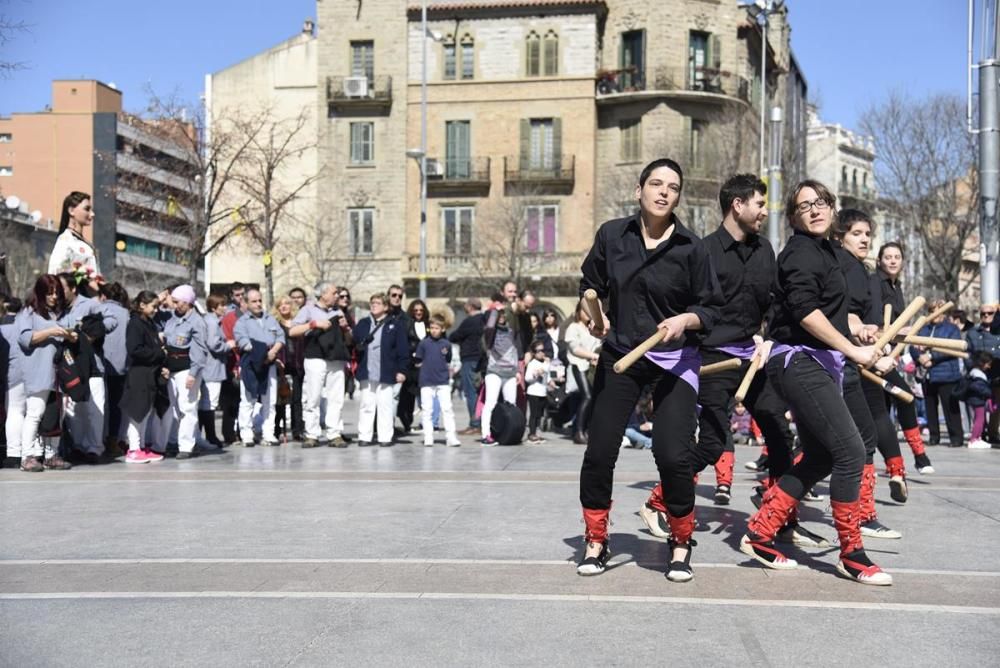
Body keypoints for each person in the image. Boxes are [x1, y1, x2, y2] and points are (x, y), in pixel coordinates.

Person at [739, 179, 892, 586]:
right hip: (799, 361)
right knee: (850, 450)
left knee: (823, 456)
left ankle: (760, 532)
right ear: (793, 216)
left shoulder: (827, 251)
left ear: (832, 208)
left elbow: (835, 313)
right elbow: (806, 313)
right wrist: (854, 351)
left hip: (820, 361)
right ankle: (852, 553)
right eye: (804, 205)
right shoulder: (798, 253)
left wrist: (861, 334)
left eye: (821, 202)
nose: (815, 209)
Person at [578, 158, 722, 582]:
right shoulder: (612, 235)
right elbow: (590, 287)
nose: (663, 192)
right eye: (655, 184)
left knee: (673, 455)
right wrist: (591, 314)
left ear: (679, 197)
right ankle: (596, 539)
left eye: (672, 187)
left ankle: (680, 541)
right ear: (639, 191)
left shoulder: (692, 248)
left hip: (674, 360)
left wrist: (685, 320)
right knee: (600, 451)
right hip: (622, 353)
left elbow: (710, 309)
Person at [642, 175, 804, 532]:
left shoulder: (765, 251)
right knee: (713, 444)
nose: (764, 212)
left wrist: (768, 337)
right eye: (759, 204)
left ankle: (778, 515)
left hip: (752, 357)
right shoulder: (703, 251)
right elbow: (688, 307)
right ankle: (658, 500)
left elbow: (775, 303)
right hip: (712, 359)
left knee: (778, 429)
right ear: (738, 205)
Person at [832, 210, 907, 539]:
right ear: (840, 236)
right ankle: (861, 515)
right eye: (857, 233)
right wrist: (860, 332)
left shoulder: (864, 274)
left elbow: (867, 322)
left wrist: (881, 347)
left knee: (859, 436)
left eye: (867, 234)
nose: (864, 239)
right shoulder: (842, 268)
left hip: (858, 360)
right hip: (835, 362)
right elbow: (838, 314)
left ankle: (864, 512)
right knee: (859, 438)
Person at [872, 242, 934, 474]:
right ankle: (918, 455)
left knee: (882, 411)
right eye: (887, 257)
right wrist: (902, 332)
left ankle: (895, 466)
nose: (892, 260)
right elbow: (875, 322)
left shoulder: (896, 286)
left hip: (890, 354)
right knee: (905, 397)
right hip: (874, 353)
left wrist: (906, 335)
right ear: (879, 260)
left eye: (897, 256)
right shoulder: (875, 282)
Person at [15, 275, 76, 472]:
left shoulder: (58, 313)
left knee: (56, 415)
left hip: (59, 372)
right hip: (38, 371)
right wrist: (52, 332)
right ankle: (27, 456)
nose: (54, 297)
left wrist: (69, 335)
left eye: (57, 293)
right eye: (49, 293)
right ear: (40, 293)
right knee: (35, 413)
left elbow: (72, 335)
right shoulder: (28, 313)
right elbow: (26, 338)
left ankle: (52, 455)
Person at [57, 272, 118, 463]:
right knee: (74, 412)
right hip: (69, 368)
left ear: (73, 288)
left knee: (94, 410)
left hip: (92, 366)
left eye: (62, 289)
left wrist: (91, 333)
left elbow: (111, 320)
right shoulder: (57, 309)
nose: (58, 293)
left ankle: (94, 448)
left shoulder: (90, 304)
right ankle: (78, 446)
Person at [288, 282, 352, 448]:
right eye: (334, 292)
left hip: (336, 358)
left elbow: (350, 339)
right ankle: (312, 434)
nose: (337, 295)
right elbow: (292, 331)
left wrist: (346, 329)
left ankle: (334, 433)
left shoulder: (339, 312)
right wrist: (313, 324)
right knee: (313, 397)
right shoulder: (308, 310)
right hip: (315, 357)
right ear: (323, 294)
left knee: (336, 398)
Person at [161, 284, 212, 459]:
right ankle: (173, 441)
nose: (174, 305)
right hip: (171, 368)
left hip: (186, 368)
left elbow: (199, 349)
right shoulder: (172, 318)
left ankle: (186, 445)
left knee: (187, 407)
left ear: (186, 302)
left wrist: (193, 373)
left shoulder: (197, 322)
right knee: (174, 408)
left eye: (177, 302)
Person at [353, 293, 409, 446]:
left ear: (385, 307)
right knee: (366, 405)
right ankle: (364, 436)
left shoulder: (395, 325)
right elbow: (355, 344)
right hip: (367, 371)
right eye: (372, 302)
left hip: (387, 371)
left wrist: (402, 370)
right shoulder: (363, 324)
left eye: (377, 303)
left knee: (385, 406)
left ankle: (385, 437)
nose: (373, 305)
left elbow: (402, 350)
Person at [233, 289, 286, 447]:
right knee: (248, 400)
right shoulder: (242, 322)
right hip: (251, 363)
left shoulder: (270, 319)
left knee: (269, 400)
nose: (257, 304)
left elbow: (280, 337)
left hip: (269, 362)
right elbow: (243, 342)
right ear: (246, 303)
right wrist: (261, 352)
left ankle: (268, 433)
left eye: (259, 301)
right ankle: (246, 434)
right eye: (254, 301)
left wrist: (273, 352)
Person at [910, 300, 965, 447]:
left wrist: (931, 357)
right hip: (927, 375)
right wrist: (919, 357)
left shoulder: (951, 329)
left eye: (937, 310)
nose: (933, 314)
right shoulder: (924, 328)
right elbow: (912, 345)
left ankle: (956, 437)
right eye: (931, 310)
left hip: (946, 374)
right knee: (930, 407)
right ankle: (934, 436)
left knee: (950, 407)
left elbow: (953, 348)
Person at [121, 290, 167, 463]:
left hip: (150, 373)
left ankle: (141, 447)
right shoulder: (135, 324)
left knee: (146, 411)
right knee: (137, 412)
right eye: (153, 306)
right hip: (139, 374)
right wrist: (158, 353)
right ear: (142, 305)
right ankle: (133, 448)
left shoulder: (148, 323)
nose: (156, 310)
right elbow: (135, 349)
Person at [480, 295, 524, 446]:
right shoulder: (490, 333)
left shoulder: (512, 332)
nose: (501, 317)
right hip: (494, 372)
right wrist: (495, 310)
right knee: (490, 403)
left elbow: (516, 351)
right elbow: (490, 326)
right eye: (499, 315)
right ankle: (486, 434)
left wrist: (518, 371)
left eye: (503, 314)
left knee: (511, 404)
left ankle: (509, 433)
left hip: (510, 373)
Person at [415, 314, 461, 447]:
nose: (434, 330)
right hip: (426, 381)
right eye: (432, 328)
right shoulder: (423, 343)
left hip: (442, 381)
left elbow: (448, 359)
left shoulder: (446, 344)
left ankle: (451, 436)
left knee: (447, 409)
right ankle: (428, 436)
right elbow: (418, 359)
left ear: (443, 329)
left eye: (437, 328)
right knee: (427, 410)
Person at [98, 282, 131, 456]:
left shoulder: (98, 309)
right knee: (116, 405)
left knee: (99, 403)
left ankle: (98, 439)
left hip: (100, 364)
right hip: (120, 365)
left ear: (104, 296)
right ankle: (113, 440)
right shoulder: (126, 313)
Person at [563, 301, 601, 445]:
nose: (587, 314)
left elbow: (598, 346)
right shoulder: (573, 327)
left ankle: (587, 430)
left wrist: (596, 357)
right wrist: (593, 356)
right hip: (578, 365)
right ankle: (578, 431)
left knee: (593, 398)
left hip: (592, 367)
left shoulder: (593, 328)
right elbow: (575, 349)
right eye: (584, 311)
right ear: (578, 311)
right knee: (587, 396)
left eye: (589, 311)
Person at [199, 294, 234, 448]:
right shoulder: (213, 323)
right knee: (209, 403)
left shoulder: (210, 321)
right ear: (214, 307)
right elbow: (213, 344)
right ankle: (211, 436)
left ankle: (204, 436)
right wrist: (228, 345)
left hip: (210, 367)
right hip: (212, 368)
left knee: (206, 402)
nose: (225, 308)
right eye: (222, 305)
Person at [449, 297, 486, 435]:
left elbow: (453, 336)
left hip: (470, 359)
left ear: (470, 307)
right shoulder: (484, 319)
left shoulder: (469, 321)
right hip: (483, 360)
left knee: (471, 392)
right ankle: (483, 422)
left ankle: (475, 424)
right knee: (481, 392)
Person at [48, 192, 100, 285]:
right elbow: (55, 271)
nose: (92, 214)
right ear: (71, 210)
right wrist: (81, 274)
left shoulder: (86, 244)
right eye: (87, 209)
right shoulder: (65, 240)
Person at [397, 299, 429, 434]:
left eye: (421, 310)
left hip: (426, 365)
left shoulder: (429, 324)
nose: (418, 313)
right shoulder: (407, 324)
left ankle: (428, 423)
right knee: (408, 396)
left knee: (427, 395)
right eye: (416, 310)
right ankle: (407, 423)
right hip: (411, 365)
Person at [272, 295, 300, 442]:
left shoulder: (299, 322)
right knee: (280, 400)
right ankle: (277, 429)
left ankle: (297, 430)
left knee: (297, 399)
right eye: (280, 305)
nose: (283, 307)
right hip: (281, 364)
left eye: (287, 304)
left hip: (297, 364)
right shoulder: (274, 324)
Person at [286, 286, 309, 438]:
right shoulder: (285, 316)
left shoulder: (309, 315)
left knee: (303, 397)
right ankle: (291, 428)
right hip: (289, 361)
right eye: (293, 297)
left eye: (299, 297)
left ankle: (300, 427)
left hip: (304, 360)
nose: (296, 300)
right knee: (291, 397)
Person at [959, 351, 993, 449]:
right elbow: (978, 387)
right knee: (979, 420)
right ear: (982, 363)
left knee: (980, 420)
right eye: (988, 364)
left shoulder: (975, 373)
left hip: (977, 400)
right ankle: (973, 439)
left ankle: (977, 438)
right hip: (977, 400)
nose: (989, 367)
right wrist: (988, 392)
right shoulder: (977, 374)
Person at [524, 339, 553, 444]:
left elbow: (547, 376)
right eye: (538, 351)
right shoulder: (533, 364)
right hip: (533, 392)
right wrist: (535, 374)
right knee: (534, 414)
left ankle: (536, 433)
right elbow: (527, 378)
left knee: (540, 414)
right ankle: (531, 434)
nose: (541, 353)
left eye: (542, 350)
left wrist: (551, 382)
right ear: (533, 353)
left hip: (542, 392)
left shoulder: (545, 363)